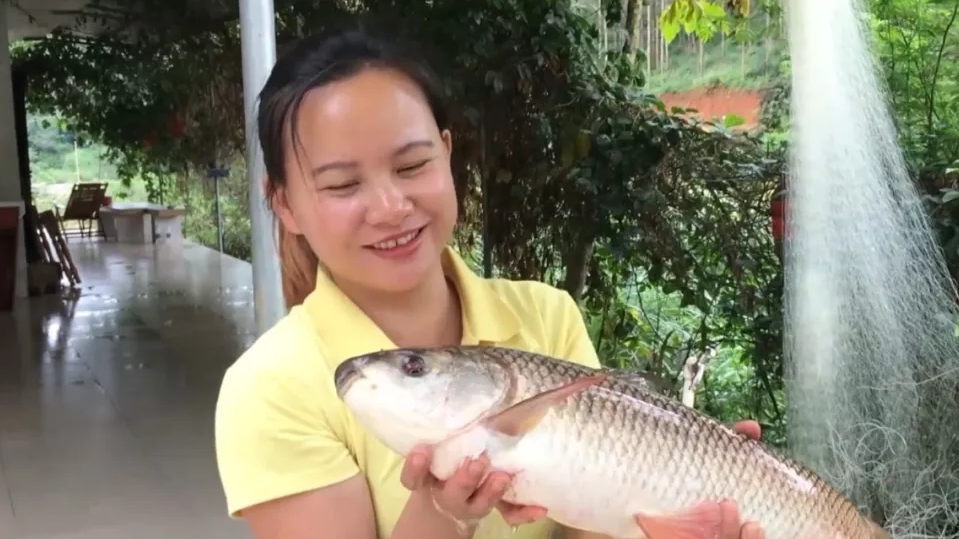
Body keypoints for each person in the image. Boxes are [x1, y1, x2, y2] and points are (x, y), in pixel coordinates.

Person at [213, 25, 769, 539]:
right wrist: (442, 510)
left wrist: (672, 518)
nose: (390, 207)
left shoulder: (545, 316)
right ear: (283, 204)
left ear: (448, 155)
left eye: (411, 167)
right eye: (342, 185)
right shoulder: (270, 390)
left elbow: (587, 523)